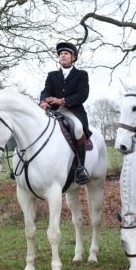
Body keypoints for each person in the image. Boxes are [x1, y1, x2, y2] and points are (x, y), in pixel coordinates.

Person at [39, 42, 91, 185]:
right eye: (61, 54)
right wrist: (43, 101)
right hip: (53, 111)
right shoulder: (52, 75)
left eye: (66, 54)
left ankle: (80, 167)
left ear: (73, 58)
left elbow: (82, 95)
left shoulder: (81, 75)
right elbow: (46, 90)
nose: (63, 56)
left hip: (72, 110)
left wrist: (62, 101)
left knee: (78, 129)